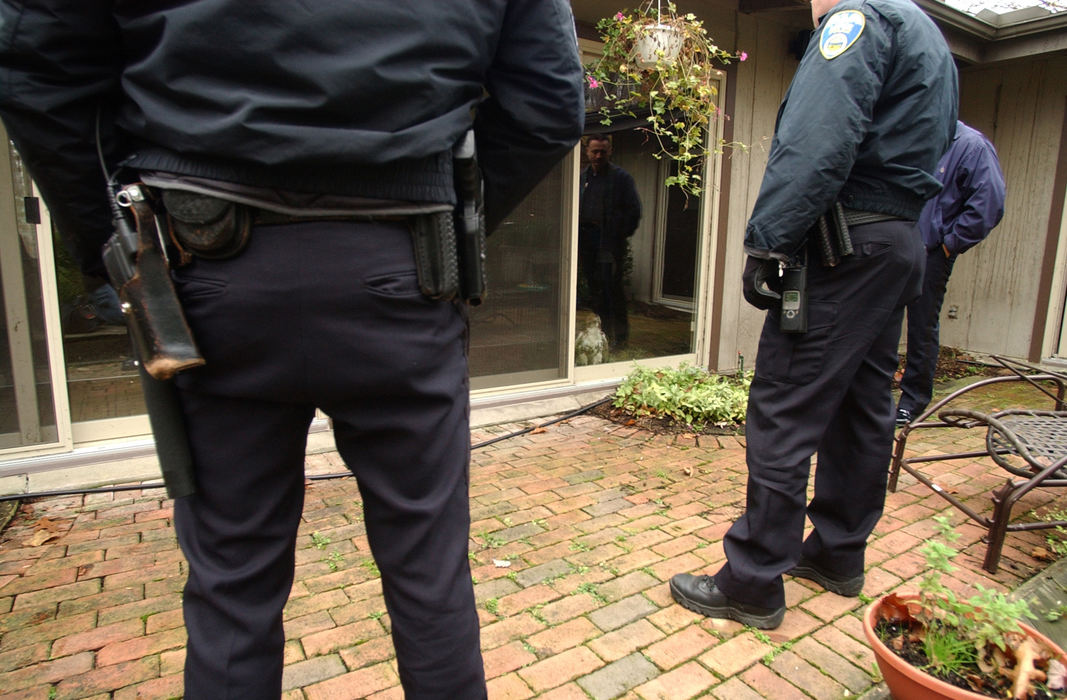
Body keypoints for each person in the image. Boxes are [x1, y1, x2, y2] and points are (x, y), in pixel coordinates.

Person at [0, 2, 584, 698]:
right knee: (428, 574)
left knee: (231, 582)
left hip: (207, 278)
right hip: (405, 270)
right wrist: (454, 220)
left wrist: (118, 256)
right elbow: (547, 103)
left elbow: (39, 75)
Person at [669, 0, 957, 629]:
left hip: (845, 245)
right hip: (896, 241)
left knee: (785, 404)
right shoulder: (926, 34)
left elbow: (818, 139)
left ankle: (752, 580)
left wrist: (770, 240)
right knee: (861, 405)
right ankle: (836, 554)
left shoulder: (856, 21)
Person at [896, 121, 1006, 426]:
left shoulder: (972, 145)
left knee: (921, 326)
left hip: (931, 252)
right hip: (892, 246)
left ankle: (913, 401)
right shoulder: (911, 134)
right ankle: (874, 396)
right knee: (880, 321)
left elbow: (988, 204)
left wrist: (949, 244)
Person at [579, 134, 641, 350]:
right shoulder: (581, 178)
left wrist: (616, 236)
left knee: (612, 291)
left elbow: (634, 213)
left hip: (609, 244)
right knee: (594, 291)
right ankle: (599, 337)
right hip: (585, 242)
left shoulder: (621, 179)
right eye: (594, 151)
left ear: (610, 151)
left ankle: (619, 341)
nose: (598, 156)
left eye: (602, 152)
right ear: (587, 151)